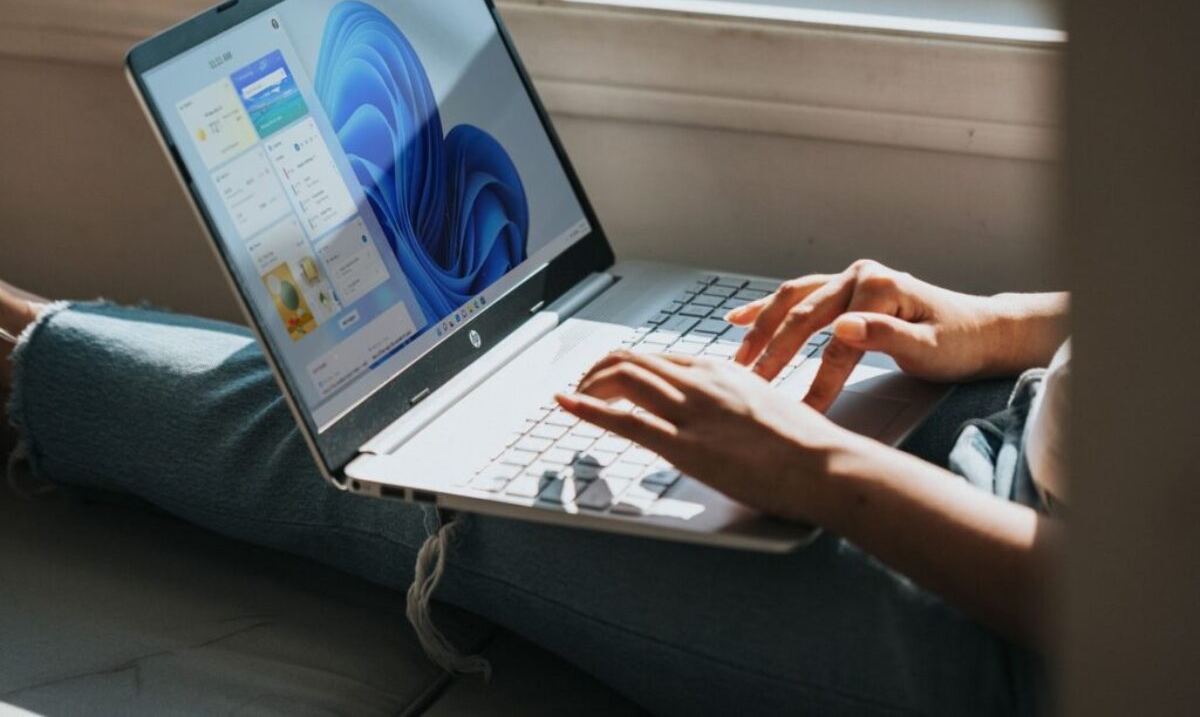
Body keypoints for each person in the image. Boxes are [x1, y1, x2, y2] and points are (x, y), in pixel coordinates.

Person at [0, 260, 1068, 716]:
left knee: (371, 459)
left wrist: (820, 466)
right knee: (463, 394)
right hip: (1011, 426)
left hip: (1019, 633)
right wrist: (1009, 323)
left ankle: (20, 364)